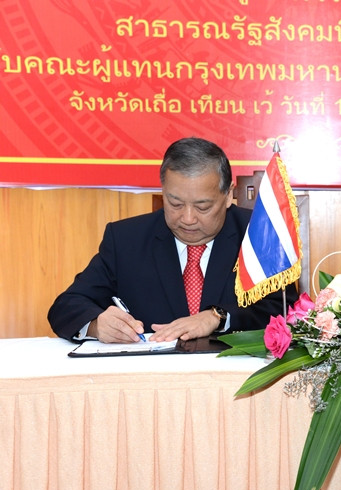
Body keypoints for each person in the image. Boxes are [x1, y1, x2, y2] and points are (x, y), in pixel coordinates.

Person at [48, 137, 297, 343]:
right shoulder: (126, 239)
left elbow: (286, 311)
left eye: (202, 206)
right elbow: (66, 306)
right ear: (163, 191)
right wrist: (95, 325)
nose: (187, 218)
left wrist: (218, 317)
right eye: (175, 203)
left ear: (227, 194)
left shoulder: (259, 234)